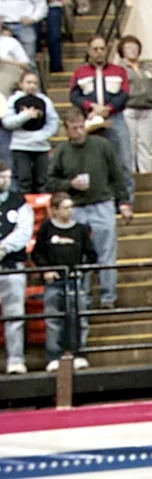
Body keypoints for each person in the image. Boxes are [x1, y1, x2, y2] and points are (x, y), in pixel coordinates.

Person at [46, 110, 133, 310]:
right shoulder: (62, 151)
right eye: (74, 128)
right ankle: (82, 298)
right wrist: (70, 184)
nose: (79, 131)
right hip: (75, 208)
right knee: (78, 254)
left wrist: (124, 203)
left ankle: (108, 297)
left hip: (102, 204)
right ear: (66, 130)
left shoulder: (102, 145)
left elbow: (117, 175)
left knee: (106, 253)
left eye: (81, 126)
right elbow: (50, 181)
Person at [33, 191, 97, 371]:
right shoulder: (47, 228)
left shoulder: (80, 229)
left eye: (71, 207)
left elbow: (91, 255)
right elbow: (38, 253)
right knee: (53, 320)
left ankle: (79, 353)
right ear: (54, 210)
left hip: (75, 281)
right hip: (54, 282)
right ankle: (54, 355)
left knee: (79, 319)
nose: (70, 211)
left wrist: (81, 270)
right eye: (65, 208)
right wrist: (46, 269)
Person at [69, 35, 133, 200]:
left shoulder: (119, 71)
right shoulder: (80, 73)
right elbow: (74, 95)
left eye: (102, 49)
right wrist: (91, 106)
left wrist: (108, 109)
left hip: (115, 118)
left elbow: (124, 93)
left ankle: (125, 202)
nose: (99, 52)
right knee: (92, 161)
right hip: (89, 119)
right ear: (89, 51)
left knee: (123, 161)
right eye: (95, 49)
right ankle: (100, 199)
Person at [0, 160, 32, 374]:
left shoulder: (19, 202)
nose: (5, 181)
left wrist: (3, 248)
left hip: (12, 266)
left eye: (7, 176)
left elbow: (24, 232)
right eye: (1, 176)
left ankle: (15, 359)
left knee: (14, 315)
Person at [2, 70, 58, 192]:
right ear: (21, 84)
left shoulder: (45, 100)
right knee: (24, 180)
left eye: (35, 83)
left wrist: (43, 135)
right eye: (28, 82)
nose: (32, 86)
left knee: (42, 181)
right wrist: (25, 116)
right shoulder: (13, 100)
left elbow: (53, 122)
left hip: (41, 147)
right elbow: (7, 122)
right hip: (20, 146)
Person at [118, 35, 152, 174]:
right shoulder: (119, 69)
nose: (132, 50)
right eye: (128, 47)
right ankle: (130, 174)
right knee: (130, 144)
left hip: (148, 109)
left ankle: (147, 174)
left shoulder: (147, 68)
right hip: (129, 109)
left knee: (147, 144)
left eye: (135, 47)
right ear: (122, 50)